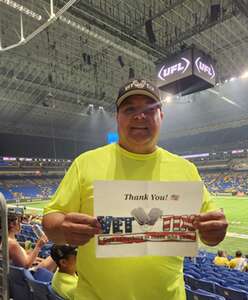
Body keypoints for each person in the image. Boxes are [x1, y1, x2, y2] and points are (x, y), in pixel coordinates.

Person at [42, 79, 228, 300]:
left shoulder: (186, 169)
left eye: (149, 109)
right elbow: (50, 221)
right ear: (117, 117)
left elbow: (210, 230)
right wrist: (63, 227)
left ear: (161, 115)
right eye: (130, 109)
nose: (140, 116)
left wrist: (215, 231)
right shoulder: (86, 163)